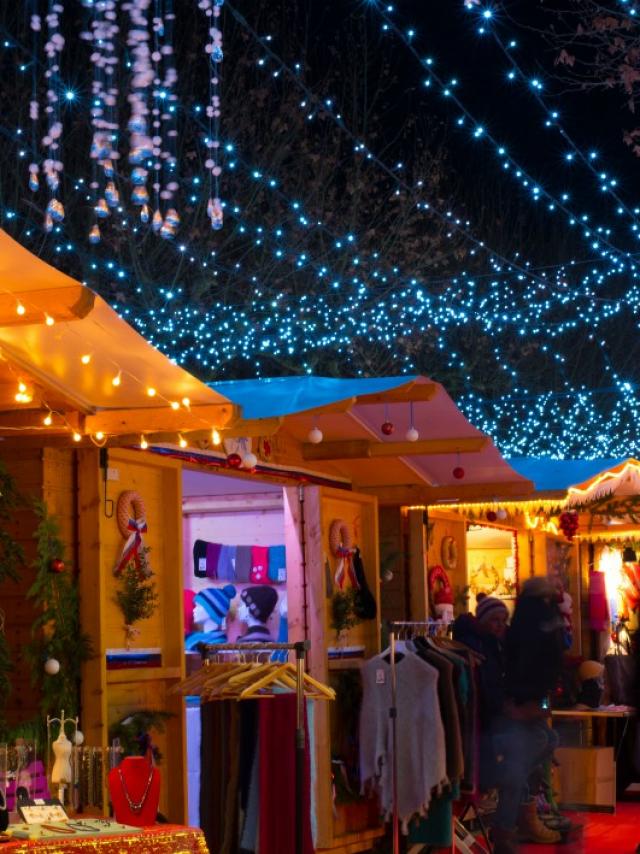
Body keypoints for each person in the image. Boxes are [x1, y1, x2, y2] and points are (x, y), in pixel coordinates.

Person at [490, 577, 565, 854]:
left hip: (523, 703)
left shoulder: (525, 623)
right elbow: (537, 665)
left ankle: (517, 817)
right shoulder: (537, 623)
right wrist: (524, 704)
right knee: (522, 762)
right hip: (517, 707)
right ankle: (510, 826)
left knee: (546, 741)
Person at [185, 585, 236, 650]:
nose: (194, 610)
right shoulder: (191, 640)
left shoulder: (215, 644)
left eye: (198, 606)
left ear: (211, 612)